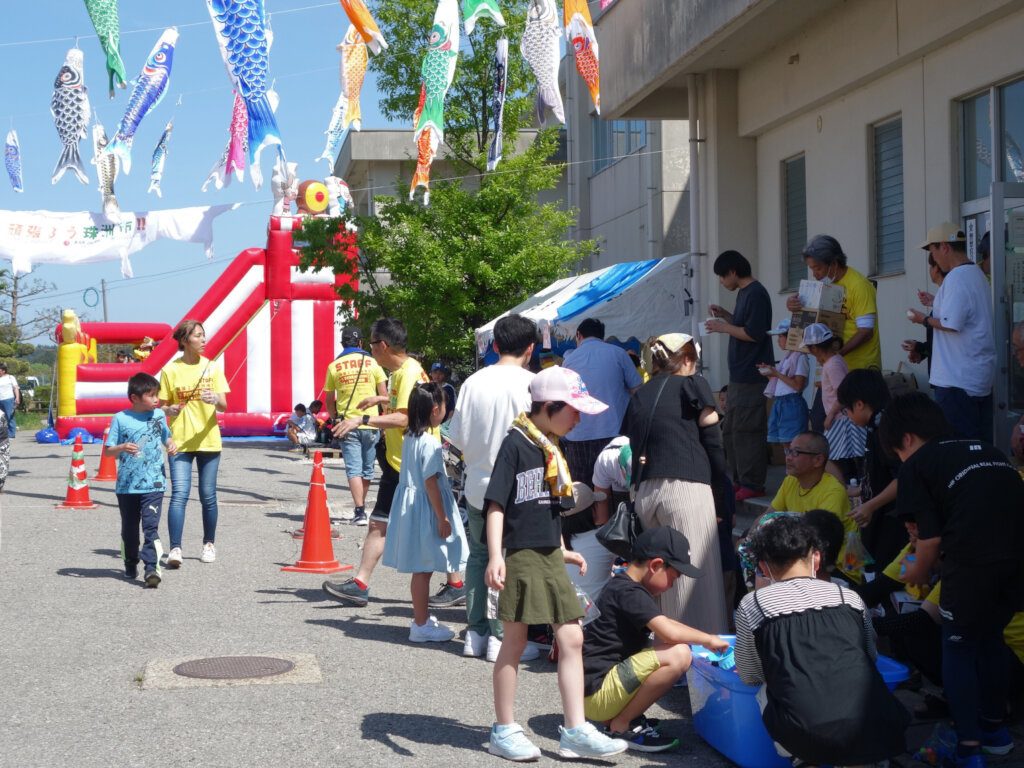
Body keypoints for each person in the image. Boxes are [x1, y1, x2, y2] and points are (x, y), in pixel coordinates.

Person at [483, 365, 628, 761]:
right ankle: (504, 728)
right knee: (514, 642)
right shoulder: (517, 443)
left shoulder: (549, 444)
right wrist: (496, 555)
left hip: (547, 554)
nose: (579, 418)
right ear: (550, 406)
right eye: (574, 410)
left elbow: (549, 510)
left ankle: (576, 730)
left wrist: (561, 547)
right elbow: (496, 505)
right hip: (521, 556)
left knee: (572, 638)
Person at [879, 392, 1024, 767]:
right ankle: (994, 733)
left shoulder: (918, 464)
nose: (900, 461)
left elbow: (929, 539)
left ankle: (967, 750)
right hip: (1017, 562)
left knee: (958, 647)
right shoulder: (988, 450)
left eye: (897, 453)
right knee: (990, 639)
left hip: (973, 562)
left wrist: (917, 570)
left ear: (906, 440)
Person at [734, 515, 909, 767]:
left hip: (805, 731)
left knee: (765, 689)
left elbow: (750, 675)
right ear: (816, 558)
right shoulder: (849, 597)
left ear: (762, 567)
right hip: (876, 722)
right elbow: (869, 655)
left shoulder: (753, 604)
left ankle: (804, 759)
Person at [581, 526, 728, 752]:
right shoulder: (629, 592)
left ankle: (620, 718)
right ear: (656, 565)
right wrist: (708, 639)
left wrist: (708, 637)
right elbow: (669, 632)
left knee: (667, 645)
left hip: (596, 693)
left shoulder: (625, 587)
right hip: (599, 696)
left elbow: (668, 626)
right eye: (673, 577)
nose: (672, 585)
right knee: (679, 654)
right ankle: (621, 725)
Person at [621, 333, 729, 633]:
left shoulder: (641, 394)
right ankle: (698, 662)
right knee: (695, 583)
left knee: (657, 579)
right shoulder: (693, 384)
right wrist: (720, 496)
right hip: (687, 489)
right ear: (686, 360)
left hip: (645, 492)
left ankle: (663, 652)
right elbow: (714, 442)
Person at [448, 314, 540, 662]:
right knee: (512, 561)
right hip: (520, 488)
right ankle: (503, 638)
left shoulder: (473, 382)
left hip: (477, 484)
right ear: (530, 347)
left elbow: (455, 438)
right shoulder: (534, 383)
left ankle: (475, 634)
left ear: (496, 345)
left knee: (479, 557)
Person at [322, 318, 433, 607]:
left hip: (413, 463)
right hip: (399, 463)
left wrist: (364, 419)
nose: (370, 350)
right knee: (379, 523)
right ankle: (360, 582)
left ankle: (457, 583)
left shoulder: (407, 374)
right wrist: (378, 399)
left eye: (372, 344)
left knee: (432, 525)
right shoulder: (400, 373)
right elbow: (398, 406)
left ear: (382, 345)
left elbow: (406, 417)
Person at [381, 382, 469, 642]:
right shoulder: (430, 442)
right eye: (443, 405)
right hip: (427, 509)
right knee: (423, 569)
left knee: (422, 568)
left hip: (412, 506)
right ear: (434, 410)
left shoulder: (409, 436)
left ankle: (421, 619)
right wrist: (442, 517)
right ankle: (420, 624)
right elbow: (431, 483)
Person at [906, 223, 995, 443]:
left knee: (960, 449)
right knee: (979, 447)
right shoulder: (976, 274)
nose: (934, 259)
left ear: (944, 247)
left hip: (957, 382)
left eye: (933, 252)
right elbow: (967, 312)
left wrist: (923, 319)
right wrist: (936, 301)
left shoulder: (956, 277)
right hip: (977, 379)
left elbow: (953, 323)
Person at [159, 319, 229, 567]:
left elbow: (224, 404)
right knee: (179, 494)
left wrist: (214, 399)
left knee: (208, 496)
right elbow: (161, 407)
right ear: (184, 340)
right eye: (198, 336)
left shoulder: (212, 367)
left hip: (209, 440)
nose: (203, 340)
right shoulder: (170, 371)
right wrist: (171, 409)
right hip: (179, 441)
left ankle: (209, 544)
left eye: (203, 335)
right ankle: (175, 549)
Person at [706, 249, 774, 501]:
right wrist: (725, 315)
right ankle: (739, 479)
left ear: (733, 272)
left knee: (748, 430)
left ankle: (752, 482)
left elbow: (755, 334)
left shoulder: (756, 293)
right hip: (739, 374)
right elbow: (744, 325)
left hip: (752, 374)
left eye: (722, 277)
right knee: (731, 429)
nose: (722, 282)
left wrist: (724, 327)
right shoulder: (746, 293)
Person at [105, 373, 179, 588]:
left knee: (150, 527)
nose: (157, 400)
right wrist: (122, 447)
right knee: (129, 528)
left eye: (157, 395)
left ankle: (151, 568)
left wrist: (171, 445)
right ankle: (130, 561)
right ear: (134, 397)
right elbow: (109, 451)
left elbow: (166, 436)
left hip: (154, 484)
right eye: (151, 395)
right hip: (127, 486)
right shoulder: (120, 418)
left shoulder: (158, 415)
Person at [561, 317, 642, 501]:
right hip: (614, 436)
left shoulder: (569, 361)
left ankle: (587, 528)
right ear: (602, 337)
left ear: (578, 335)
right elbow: (637, 389)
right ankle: (616, 527)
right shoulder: (619, 353)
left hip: (579, 437)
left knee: (582, 493)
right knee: (618, 493)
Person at [768, 430, 863, 581]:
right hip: (804, 560)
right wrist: (749, 540)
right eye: (788, 451)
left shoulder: (833, 491)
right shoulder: (790, 481)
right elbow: (768, 516)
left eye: (796, 453)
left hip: (836, 569)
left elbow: (817, 542)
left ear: (818, 460)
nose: (788, 457)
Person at [836, 368, 906, 572]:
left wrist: (870, 506)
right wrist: (862, 488)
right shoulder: (875, 424)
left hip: (891, 520)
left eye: (845, 410)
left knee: (884, 571)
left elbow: (903, 477)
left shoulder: (884, 428)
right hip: (880, 513)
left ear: (859, 404)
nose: (846, 416)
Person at [322, 325, 388, 526]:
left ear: (343, 343)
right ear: (360, 343)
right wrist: (385, 420)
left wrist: (335, 418)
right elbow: (384, 397)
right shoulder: (374, 364)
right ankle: (361, 509)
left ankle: (359, 511)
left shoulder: (334, 366)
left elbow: (329, 400)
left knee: (353, 469)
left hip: (346, 425)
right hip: (371, 424)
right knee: (367, 469)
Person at [787, 233, 882, 372]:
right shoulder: (824, 286)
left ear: (834, 264)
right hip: (832, 365)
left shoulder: (859, 286)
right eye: (811, 268)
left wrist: (836, 355)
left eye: (818, 268)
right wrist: (793, 305)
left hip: (861, 369)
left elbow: (866, 332)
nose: (814, 275)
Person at [802, 323, 864, 483]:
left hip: (840, 421)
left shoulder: (833, 364)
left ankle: (852, 491)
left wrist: (829, 415)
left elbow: (843, 394)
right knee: (841, 459)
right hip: (840, 420)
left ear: (814, 348)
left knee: (839, 460)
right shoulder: (834, 361)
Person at [759, 317, 809, 454]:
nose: (778, 340)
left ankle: (795, 472)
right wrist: (770, 373)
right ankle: (790, 472)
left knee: (794, 443)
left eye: (781, 336)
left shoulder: (801, 357)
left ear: (791, 337)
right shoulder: (788, 357)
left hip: (792, 403)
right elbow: (782, 384)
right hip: (781, 403)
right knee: (785, 443)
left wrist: (776, 373)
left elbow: (798, 386)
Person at [901, 252, 947, 373]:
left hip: (948, 380)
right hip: (941, 377)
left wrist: (923, 319)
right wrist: (921, 351)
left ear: (937, 268)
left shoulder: (950, 299)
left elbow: (949, 338)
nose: (929, 270)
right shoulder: (943, 298)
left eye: (931, 266)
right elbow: (934, 346)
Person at [0, 363, 20, 438]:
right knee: (1, 417)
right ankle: (2, 433)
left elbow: (15, 388)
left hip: (8, 399)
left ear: (3, 371)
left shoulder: (10, 377)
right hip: (0, 399)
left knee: (9, 416)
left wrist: (17, 397)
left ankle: (11, 434)